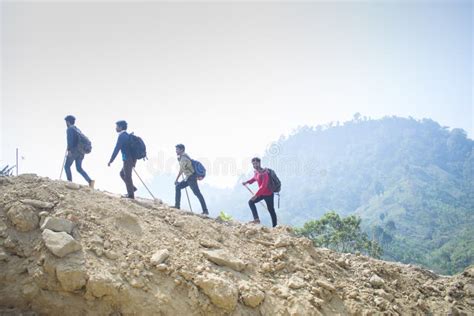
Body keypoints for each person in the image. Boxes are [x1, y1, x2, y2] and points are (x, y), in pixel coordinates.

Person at [173, 144, 209, 215]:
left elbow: (181, 170)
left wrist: (176, 179)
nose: (176, 151)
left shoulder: (183, 158)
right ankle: (177, 206)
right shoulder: (184, 157)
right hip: (189, 177)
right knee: (178, 187)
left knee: (197, 194)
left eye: (177, 149)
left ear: (182, 150)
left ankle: (205, 210)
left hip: (191, 178)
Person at [242, 157, 277, 227]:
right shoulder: (256, 172)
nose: (254, 165)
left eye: (256, 163)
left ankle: (275, 226)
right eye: (253, 164)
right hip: (261, 193)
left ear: (259, 163)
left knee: (271, 210)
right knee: (251, 202)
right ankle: (256, 219)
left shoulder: (265, 173)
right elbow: (254, 179)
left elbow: (263, 186)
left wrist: (256, 195)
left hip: (268, 194)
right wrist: (247, 182)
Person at [108, 120, 137, 199]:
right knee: (122, 174)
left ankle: (131, 195)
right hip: (129, 159)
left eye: (117, 126)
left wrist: (111, 160)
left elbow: (117, 148)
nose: (116, 128)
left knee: (127, 176)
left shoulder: (122, 136)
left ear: (120, 127)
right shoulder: (126, 135)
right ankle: (132, 188)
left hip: (127, 159)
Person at [64, 115, 94, 188]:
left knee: (67, 166)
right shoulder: (77, 129)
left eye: (66, 122)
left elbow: (70, 140)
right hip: (81, 152)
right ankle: (90, 181)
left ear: (68, 122)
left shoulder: (69, 129)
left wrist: (69, 150)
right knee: (79, 168)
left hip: (74, 151)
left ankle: (70, 182)